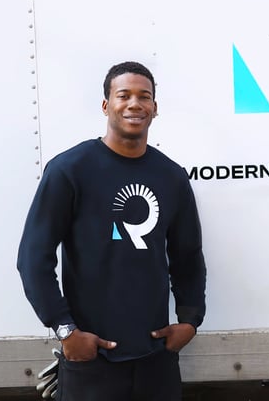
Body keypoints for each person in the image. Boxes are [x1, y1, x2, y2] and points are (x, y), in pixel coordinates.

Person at [17, 61, 206, 400]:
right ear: (107, 105)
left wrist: (190, 319)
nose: (135, 104)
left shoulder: (171, 177)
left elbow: (187, 256)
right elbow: (34, 257)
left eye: (144, 96)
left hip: (155, 359)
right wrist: (66, 330)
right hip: (91, 359)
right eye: (124, 95)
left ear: (155, 108)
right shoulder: (69, 170)